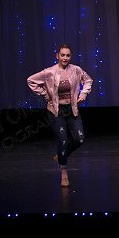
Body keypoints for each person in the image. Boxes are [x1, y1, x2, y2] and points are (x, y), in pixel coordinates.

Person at [27, 44, 93, 187]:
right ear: (57, 56)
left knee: (79, 139)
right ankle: (64, 173)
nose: (65, 58)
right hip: (56, 111)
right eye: (62, 55)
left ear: (70, 57)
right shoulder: (49, 72)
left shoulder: (76, 70)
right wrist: (46, 95)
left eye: (67, 55)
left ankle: (61, 156)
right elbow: (31, 80)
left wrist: (83, 94)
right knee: (62, 141)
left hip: (72, 109)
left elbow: (88, 80)